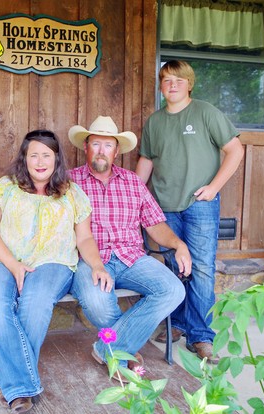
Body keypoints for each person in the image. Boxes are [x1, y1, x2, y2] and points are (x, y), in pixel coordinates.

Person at [0, 130, 109, 413]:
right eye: (33, 154)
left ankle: (14, 387)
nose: (39, 161)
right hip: (0, 260)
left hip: (53, 262)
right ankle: (21, 386)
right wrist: (13, 264)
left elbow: (84, 238)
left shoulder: (72, 192)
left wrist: (97, 265)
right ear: (24, 157)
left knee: (35, 303)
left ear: (56, 159)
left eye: (46, 155)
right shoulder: (5, 186)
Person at [136, 60, 244, 363]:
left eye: (178, 80)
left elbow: (235, 150)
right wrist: (136, 196)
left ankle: (201, 335)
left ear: (189, 84)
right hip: (163, 207)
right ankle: (178, 324)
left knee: (201, 269)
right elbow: (147, 161)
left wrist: (213, 188)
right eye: (166, 79)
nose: (172, 85)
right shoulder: (154, 122)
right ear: (160, 85)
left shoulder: (206, 112)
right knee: (173, 269)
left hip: (200, 205)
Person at [67, 115, 190, 376]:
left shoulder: (133, 182)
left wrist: (179, 244)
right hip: (88, 260)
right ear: (86, 147)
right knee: (97, 302)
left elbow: (155, 224)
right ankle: (125, 350)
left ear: (117, 150)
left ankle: (109, 349)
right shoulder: (68, 182)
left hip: (131, 257)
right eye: (96, 144)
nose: (101, 151)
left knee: (172, 290)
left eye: (108, 145)